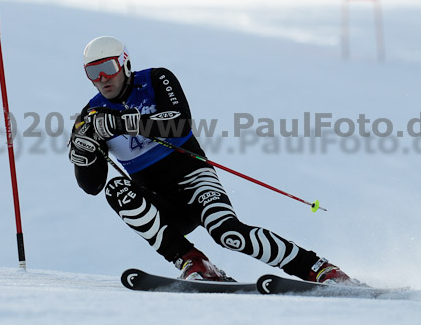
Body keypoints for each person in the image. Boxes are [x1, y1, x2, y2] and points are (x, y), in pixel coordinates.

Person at [69, 36, 353, 284]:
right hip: (159, 203)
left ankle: (318, 269)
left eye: (108, 68)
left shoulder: (156, 79)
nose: (102, 78)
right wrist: (84, 155)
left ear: (125, 63)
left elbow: (180, 123)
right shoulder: (91, 114)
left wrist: (124, 123)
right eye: (93, 72)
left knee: (228, 234)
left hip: (193, 180)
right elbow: (92, 186)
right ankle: (194, 262)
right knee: (116, 191)